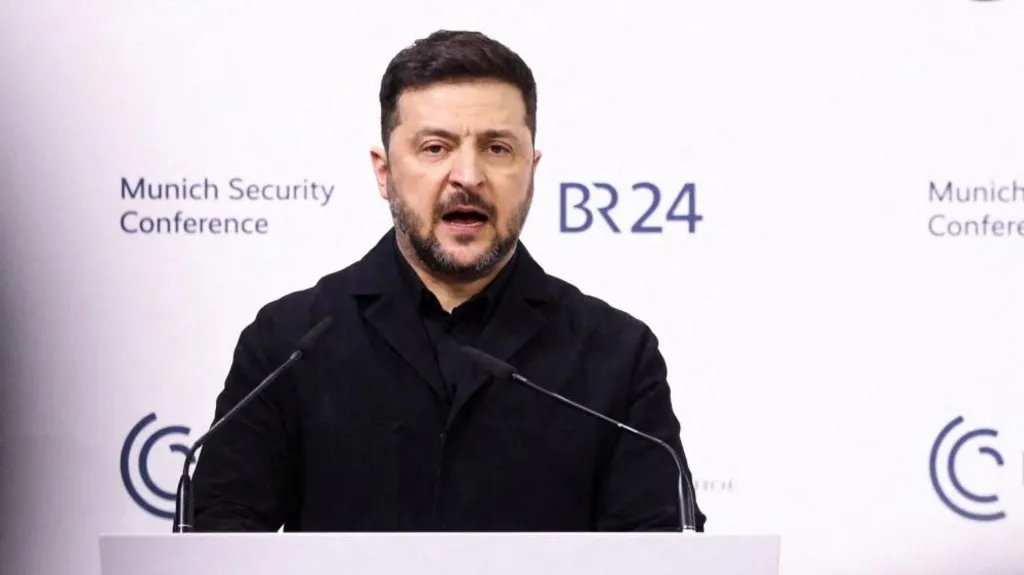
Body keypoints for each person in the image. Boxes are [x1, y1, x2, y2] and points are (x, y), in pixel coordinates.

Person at [190, 29, 706, 532]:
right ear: (384, 171)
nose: (468, 176)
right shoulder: (290, 343)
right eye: (435, 148)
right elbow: (219, 536)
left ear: (532, 168)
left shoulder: (616, 353)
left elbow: (659, 552)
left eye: (497, 149)